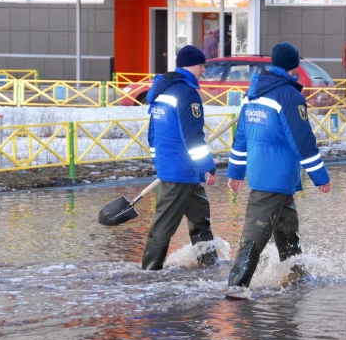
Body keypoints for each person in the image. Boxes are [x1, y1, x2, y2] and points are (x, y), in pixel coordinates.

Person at [226, 42, 331, 289]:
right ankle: (236, 287)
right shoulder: (289, 96)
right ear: (294, 65)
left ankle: (296, 278)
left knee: (287, 232)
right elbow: (302, 140)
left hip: (269, 177)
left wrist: (236, 171)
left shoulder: (253, 93)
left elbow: (241, 137)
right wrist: (320, 176)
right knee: (254, 235)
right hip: (275, 177)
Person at [141, 45, 219, 271]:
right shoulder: (186, 93)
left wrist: (160, 163)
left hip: (178, 168)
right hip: (181, 171)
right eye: (202, 65)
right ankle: (148, 272)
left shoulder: (163, 90)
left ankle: (210, 265)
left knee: (200, 220)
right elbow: (193, 137)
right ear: (193, 65)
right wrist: (208, 166)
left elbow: (153, 133)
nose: (204, 70)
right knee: (164, 225)